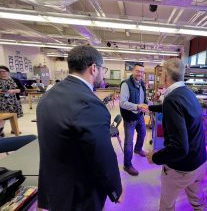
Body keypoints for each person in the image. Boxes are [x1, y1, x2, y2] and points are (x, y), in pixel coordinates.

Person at [37, 45, 123, 211]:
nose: (103, 73)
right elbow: (101, 154)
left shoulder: (48, 96)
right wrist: (116, 189)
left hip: (55, 188)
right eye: (102, 69)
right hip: (80, 194)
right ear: (93, 68)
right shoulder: (90, 103)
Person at [146, 58, 207, 211]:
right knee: (198, 203)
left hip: (181, 169)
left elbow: (179, 148)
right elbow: (180, 110)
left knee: (167, 206)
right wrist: (150, 108)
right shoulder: (188, 94)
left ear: (165, 76)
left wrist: (155, 157)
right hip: (199, 163)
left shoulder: (172, 99)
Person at [120, 63, 148, 176]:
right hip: (129, 118)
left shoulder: (142, 83)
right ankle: (127, 165)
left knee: (143, 133)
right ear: (133, 71)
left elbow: (143, 99)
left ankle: (138, 149)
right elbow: (122, 103)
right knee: (128, 142)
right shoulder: (126, 84)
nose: (139, 74)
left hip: (139, 115)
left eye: (141, 72)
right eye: (137, 71)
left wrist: (148, 105)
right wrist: (138, 106)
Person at [0, 65, 24, 137]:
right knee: (3, 116)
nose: (2, 73)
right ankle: (1, 130)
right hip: (2, 102)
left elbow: (22, 89)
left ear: (8, 72)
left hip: (14, 101)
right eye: (0, 72)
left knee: (14, 116)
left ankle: (14, 129)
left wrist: (14, 90)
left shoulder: (15, 80)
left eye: (3, 71)